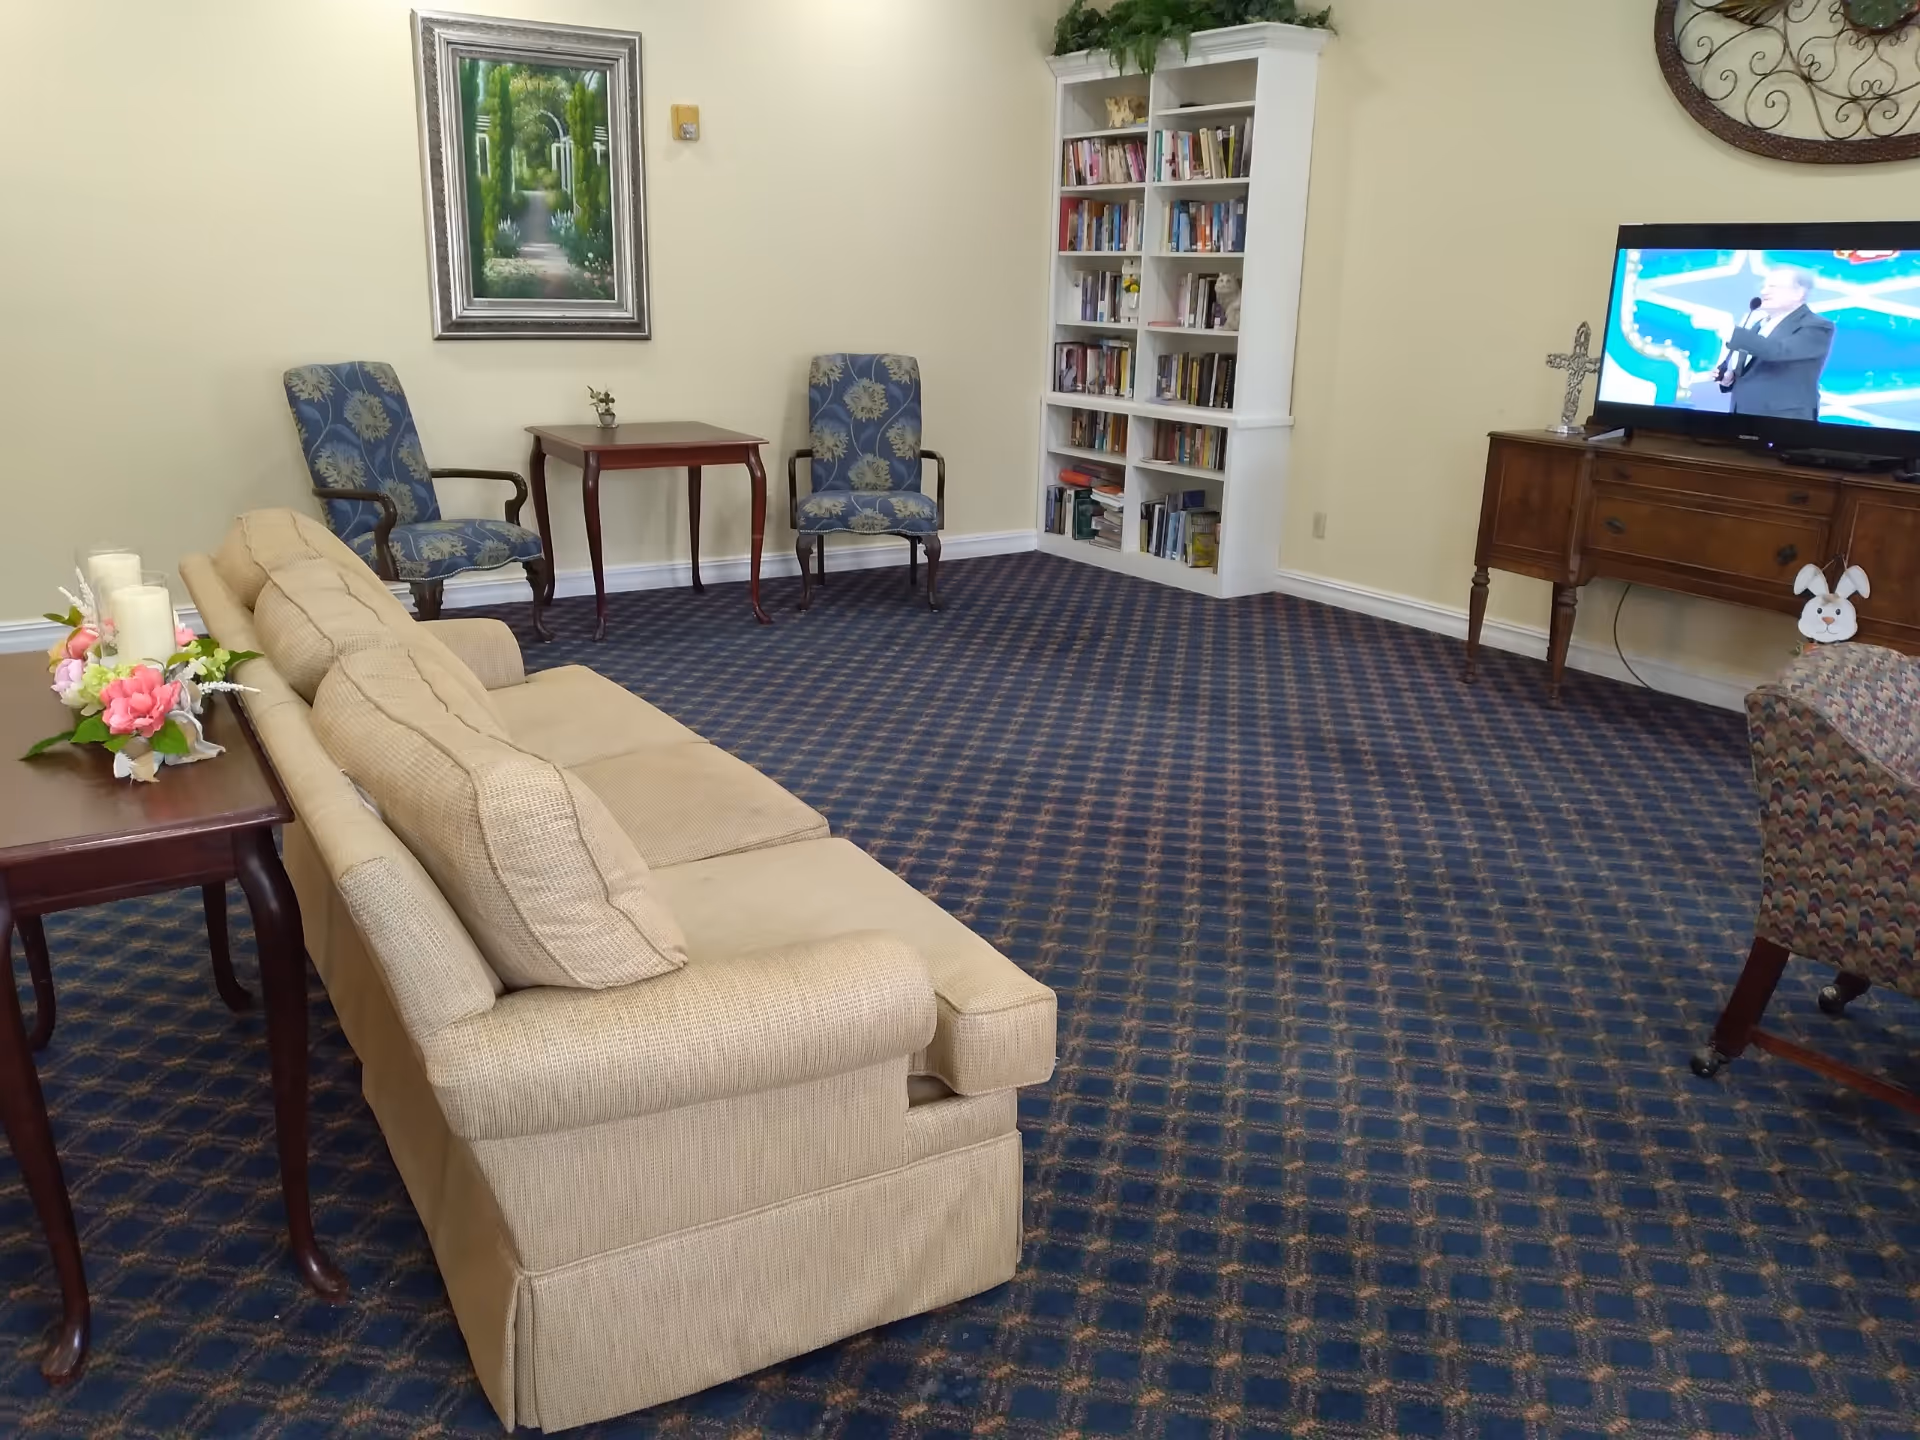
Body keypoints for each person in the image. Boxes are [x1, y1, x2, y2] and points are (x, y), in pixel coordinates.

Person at [1717, 266, 1835, 421]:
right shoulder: (1759, 323)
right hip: (1742, 416)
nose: (1764, 292)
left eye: (1773, 287)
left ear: (1798, 293)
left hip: (1783, 419)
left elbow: (1778, 351)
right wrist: (1729, 379)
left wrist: (1731, 331)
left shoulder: (1816, 325)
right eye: (1764, 286)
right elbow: (1755, 368)